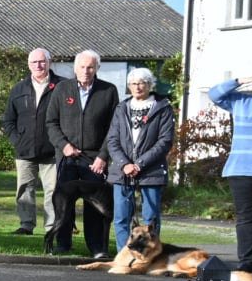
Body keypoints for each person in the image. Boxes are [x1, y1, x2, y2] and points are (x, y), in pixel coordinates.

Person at [44, 49, 120, 259]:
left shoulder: (108, 91)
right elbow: (51, 122)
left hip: (95, 159)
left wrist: (103, 156)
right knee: (64, 204)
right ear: (75, 68)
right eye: (82, 67)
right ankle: (63, 244)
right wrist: (64, 145)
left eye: (90, 67)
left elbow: (114, 128)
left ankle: (97, 248)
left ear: (97, 68)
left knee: (96, 207)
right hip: (67, 157)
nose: (86, 71)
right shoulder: (62, 89)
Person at [102, 67, 176, 252]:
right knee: (121, 217)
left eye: (141, 83)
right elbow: (112, 139)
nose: (137, 87)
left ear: (150, 85)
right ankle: (124, 254)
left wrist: (140, 164)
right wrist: (125, 164)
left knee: (150, 218)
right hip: (122, 172)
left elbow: (165, 141)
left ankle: (150, 255)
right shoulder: (122, 107)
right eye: (133, 84)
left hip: (151, 171)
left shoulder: (163, 108)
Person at [208, 67, 252, 281]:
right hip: (241, 170)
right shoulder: (241, 101)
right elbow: (214, 93)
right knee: (245, 219)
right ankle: (245, 264)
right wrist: (246, 78)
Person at [2, 48, 63, 239]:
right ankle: (26, 225)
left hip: (52, 150)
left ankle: (52, 227)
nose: (38, 65)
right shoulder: (19, 88)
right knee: (24, 190)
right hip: (24, 150)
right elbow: (8, 119)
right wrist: (16, 140)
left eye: (42, 61)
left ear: (50, 63)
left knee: (52, 191)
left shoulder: (62, 86)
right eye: (34, 62)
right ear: (29, 65)